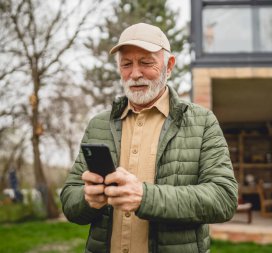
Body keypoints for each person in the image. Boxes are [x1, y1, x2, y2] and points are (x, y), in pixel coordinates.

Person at [60, 23, 238, 253]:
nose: (135, 74)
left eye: (146, 62)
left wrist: (145, 197)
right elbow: (69, 200)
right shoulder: (98, 124)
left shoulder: (202, 122)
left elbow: (224, 198)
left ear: (169, 65)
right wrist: (87, 200)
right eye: (126, 64)